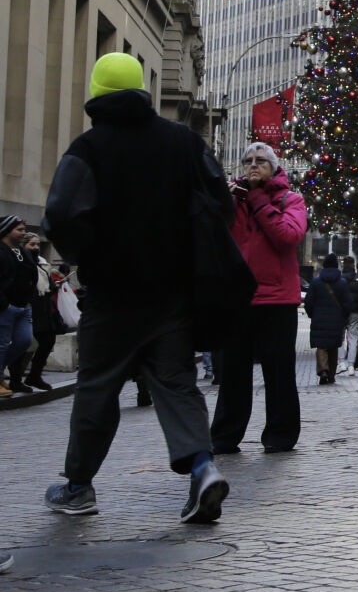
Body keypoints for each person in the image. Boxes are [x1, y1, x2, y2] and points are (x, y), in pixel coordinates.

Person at [41, 52, 231, 523]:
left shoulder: (87, 149)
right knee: (177, 383)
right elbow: (220, 204)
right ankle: (203, 467)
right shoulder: (184, 142)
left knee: (97, 387)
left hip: (112, 295)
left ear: (97, 94)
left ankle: (79, 486)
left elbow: (62, 216)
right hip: (172, 293)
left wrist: (90, 253)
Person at [210, 141, 308, 455]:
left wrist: (257, 200)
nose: (253, 164)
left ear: (274, 167)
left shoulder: (291, 200)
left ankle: (280, 435)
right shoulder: (232, 201)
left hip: (277, 300)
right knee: (233, 373)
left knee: (279, 371)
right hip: (239, 299)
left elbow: (288, 237)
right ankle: (225, 436)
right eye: (248, 160)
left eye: (261, 160)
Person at [304, 254, 355, 384]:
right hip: (337, 320)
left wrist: (312, 315)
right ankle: (331, 375)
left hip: (319, 319)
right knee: (333, 346)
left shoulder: (316, 282)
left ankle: (323, 370)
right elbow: (348, 304)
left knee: (321, 346)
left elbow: (308, 302)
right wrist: (343, 317)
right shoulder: (342, 283)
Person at [0, 215, 33, 396]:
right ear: (7, 230)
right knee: (2, 344)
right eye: (19, 229)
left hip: (24, 306)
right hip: (6, 307)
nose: (23, 233)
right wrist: (5, 305)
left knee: (24, 341)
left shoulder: (22, 251)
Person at [24, 239, 64, 390]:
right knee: (23, 344)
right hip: (28, 308)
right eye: (32, 244)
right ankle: (16, 378)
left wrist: (55, 286)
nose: (36, 247)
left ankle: (34, 375)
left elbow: (48, 287)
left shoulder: (43, 264)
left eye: (37, 244)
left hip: (44, 310)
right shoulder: (23, 262)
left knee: (48, 341)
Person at [340, 255, 358, 371]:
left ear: (343, 265)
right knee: (353, 338)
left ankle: (341, 362)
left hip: (341, 312)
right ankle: (351, 365)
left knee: (340, 338)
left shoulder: (339, 279)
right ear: (353, 265)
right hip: (355, 312)